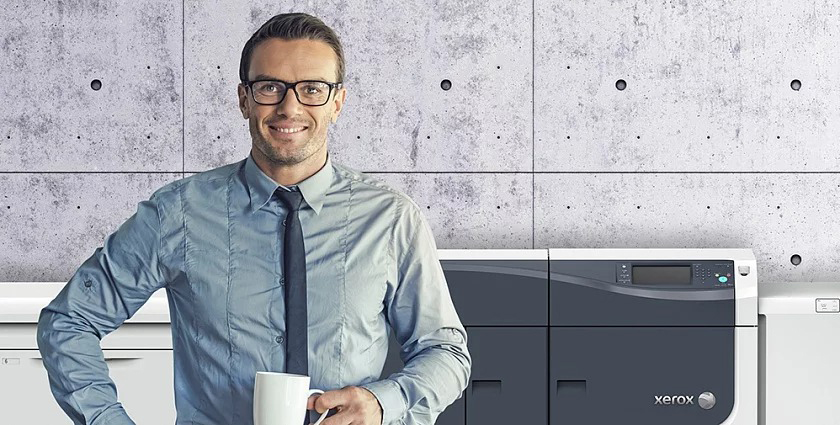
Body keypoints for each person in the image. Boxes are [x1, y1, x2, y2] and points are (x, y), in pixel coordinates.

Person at [36, 12, 471, 425]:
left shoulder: (392, 220)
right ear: (243, 99)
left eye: (313, 89)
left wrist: (381, 402)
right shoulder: (178, 214)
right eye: (269, 87)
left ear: (338, 102)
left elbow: (445, 352)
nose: (290, 107)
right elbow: (69, 322)